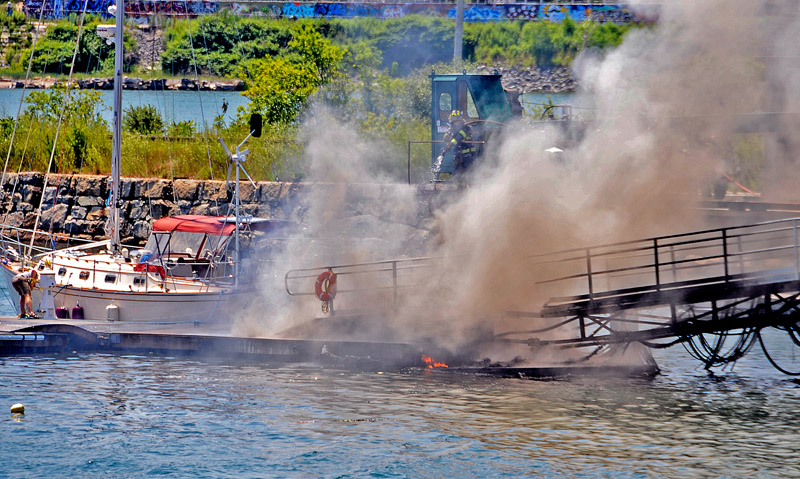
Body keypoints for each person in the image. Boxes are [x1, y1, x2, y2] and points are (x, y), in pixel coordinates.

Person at [436, 110, 478, 181]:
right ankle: (458, 189)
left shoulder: (465, 128)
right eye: (453, 120)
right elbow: (448, 138)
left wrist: (450, 145)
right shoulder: (453, 129)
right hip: (458, 155)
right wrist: (446, 137)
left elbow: (458, 138)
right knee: (457, 176)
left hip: (468, 155)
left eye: (456, 120)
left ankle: (471, 189)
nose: (455, 122)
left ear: (460, 120)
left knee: (468, 175)